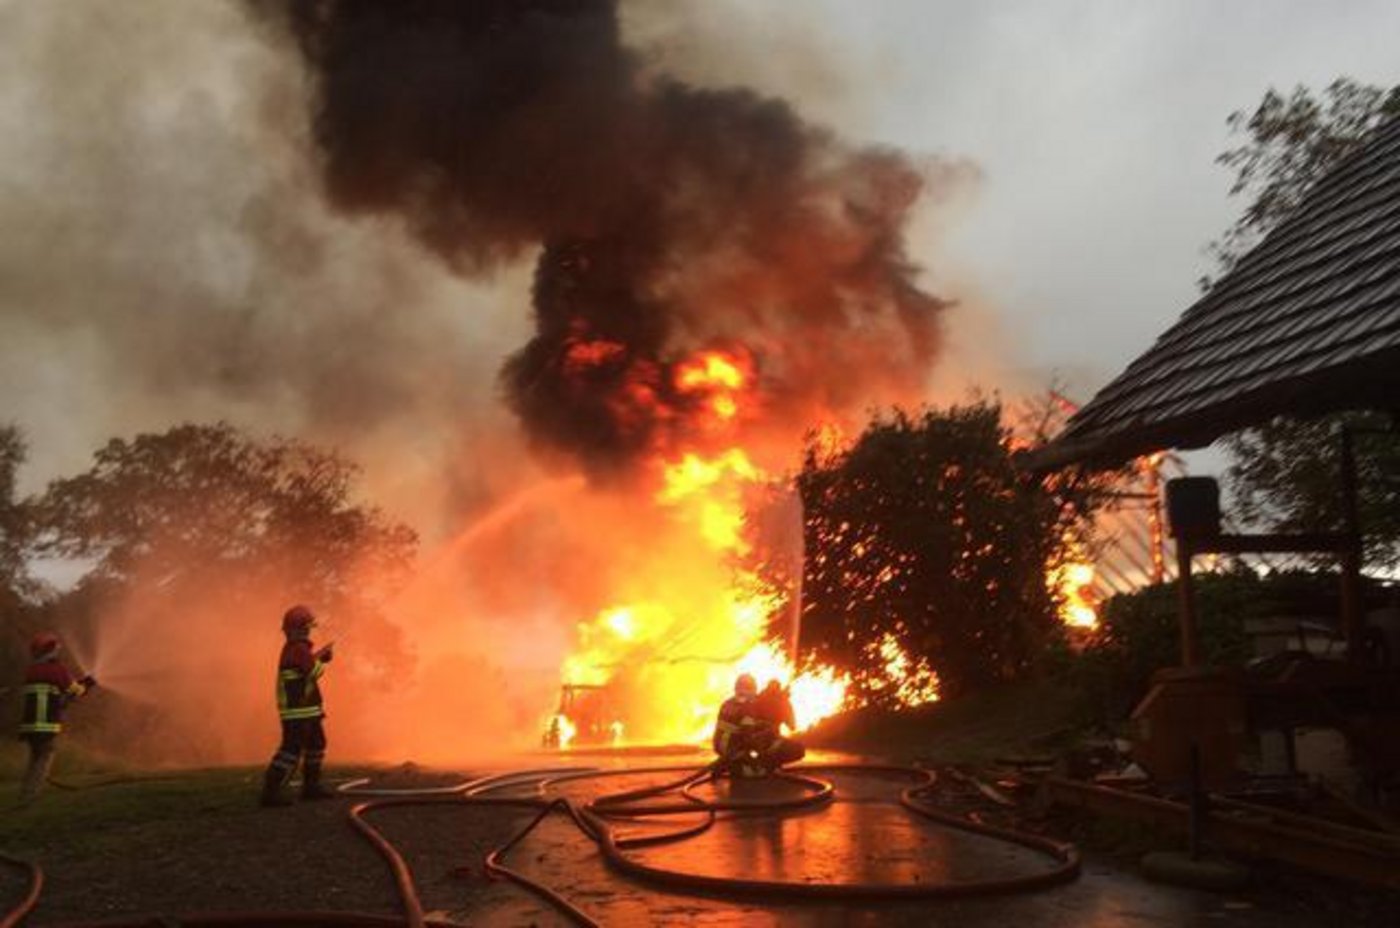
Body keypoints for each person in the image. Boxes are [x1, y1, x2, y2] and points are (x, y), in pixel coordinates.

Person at [260, 605, 335, 806]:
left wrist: (318, 656)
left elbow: (307, 667)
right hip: (298, 713)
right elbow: (315, 672)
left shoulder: (297, 650)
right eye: (306, 628)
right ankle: (271, 793)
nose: (308, 632)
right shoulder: (298, 649)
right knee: (290, 751)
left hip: (306, 711)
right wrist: (324, 657)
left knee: (316, 745)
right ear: (297, 629)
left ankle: (311, 788)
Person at [17, 632, 96, 804]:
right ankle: (31, 798)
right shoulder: (56, 670)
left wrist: (80, 683)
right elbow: (76, 692)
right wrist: (88, 683)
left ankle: (25, 793)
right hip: (46, 725)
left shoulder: (32, 671)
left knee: (35, 758)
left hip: (30, 726)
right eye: (55, 648)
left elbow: (62, 692)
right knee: (45, 757)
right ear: (50, 651)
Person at [712, 673, 805, 778]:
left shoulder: (727, 703)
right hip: (735, 750)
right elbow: (747, 738)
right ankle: (761, 766)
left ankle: (733, 763)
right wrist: (757, 758)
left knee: (763, 742)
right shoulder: (748, 707)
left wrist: (761, 725)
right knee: (796, 749)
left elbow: (738, 725)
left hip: (720, 747)